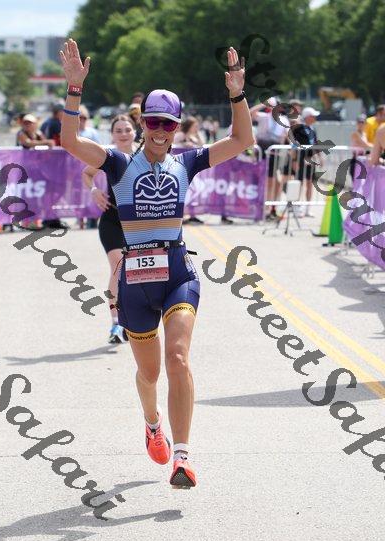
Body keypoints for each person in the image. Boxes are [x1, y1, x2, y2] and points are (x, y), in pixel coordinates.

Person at [60, 38, 253, 488]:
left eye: (168, 123)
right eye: (153, 122)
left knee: (179, 358)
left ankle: (182, 457)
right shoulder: (118, 164)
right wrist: (74, 89)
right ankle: (152, 424)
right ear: (142, 123)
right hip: (136, 280)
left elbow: (242, 140)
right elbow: (69, 140)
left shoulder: (187, 163)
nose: (160, 131)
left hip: (178, 273)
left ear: (176, 126)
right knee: (149, 374)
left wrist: (237, 94)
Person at [82, 114, 137, 344]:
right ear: (112, 134)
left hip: (138, 223)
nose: (123, 134)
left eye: (127, 129)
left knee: (137, 272)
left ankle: (134, 320)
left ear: (135, 132)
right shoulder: (108, 156)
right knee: (118, 267)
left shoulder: (145, 155)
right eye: (118, 130)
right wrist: (94, 190)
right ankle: (116, 323)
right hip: (112, 219)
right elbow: (87, 173)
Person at [250, 97, 289, 220]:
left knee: (273, 181)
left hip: (275, 153)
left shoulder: (283, 120)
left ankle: (271, 207)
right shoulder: (264, 117)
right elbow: (250, 113)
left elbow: (286, 136)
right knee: (263, 180)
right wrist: (263, 104)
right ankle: (263, 207)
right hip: (262, 152)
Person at [290, 106, 320, 217]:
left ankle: (307, 209)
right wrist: (294, 160)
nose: (315, 118)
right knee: (299, 184)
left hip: (311, 160)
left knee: (310, 184)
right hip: (300, 159)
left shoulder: (313, 129)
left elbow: (315, 144)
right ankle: (297, 207)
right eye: (313, 116)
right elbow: (294, 145)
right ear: (307, 117)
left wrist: (319, 158)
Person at [350, 114, 372, 179]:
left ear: (365, 124)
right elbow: (365, 145)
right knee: (356, 181)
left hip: (363, 160)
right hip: (356, 160)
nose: (361, 124)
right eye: (359, 122)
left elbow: (366, 148)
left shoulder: (364, 134)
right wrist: (378, 146)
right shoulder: (355, 134)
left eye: (362, 122)